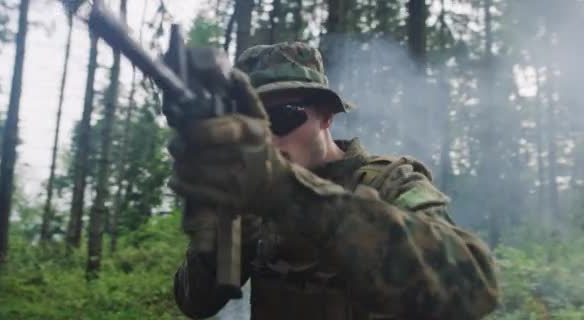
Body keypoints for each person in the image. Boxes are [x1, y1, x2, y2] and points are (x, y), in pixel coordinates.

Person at [169, 42, 499, 320]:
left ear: (326, 115)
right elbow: (196, 301)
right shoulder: (255, 195)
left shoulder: (389, 183)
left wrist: (292, 195)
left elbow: (474, 285)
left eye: (282, 118)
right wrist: (230, 230)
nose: (266, 139)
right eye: (250, 124)